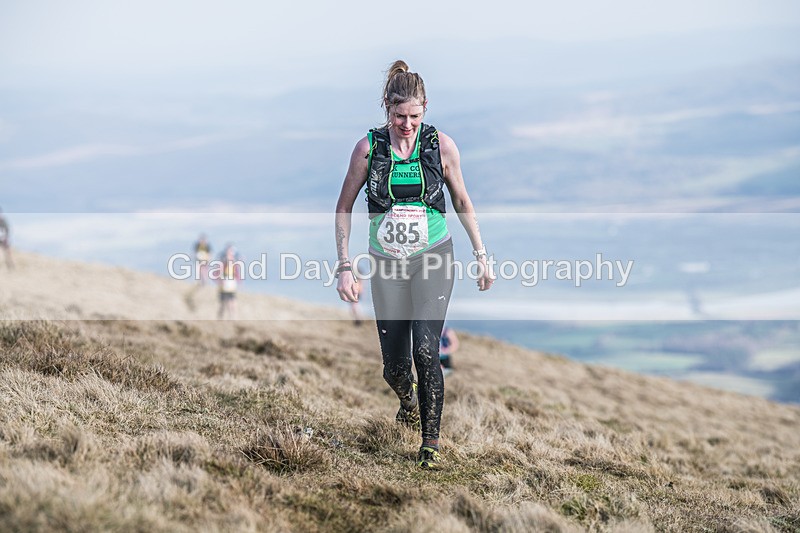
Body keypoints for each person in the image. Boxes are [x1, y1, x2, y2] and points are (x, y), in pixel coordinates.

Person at [335, 60, 494, 470]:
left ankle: (430, 443)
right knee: (395, 368)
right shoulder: (368, 148)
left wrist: (481, 256)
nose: (407, 124)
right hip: (387, 264)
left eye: (415, 116)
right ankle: (407, 401)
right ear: (386, 108)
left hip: (433, 257)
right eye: (399, 116)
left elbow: (461, 200)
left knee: (427, 351)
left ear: (426, 109)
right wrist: (345, 265)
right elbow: (344, 207)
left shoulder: (441, 146)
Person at [216, 244, 242, 320]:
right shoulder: (223, 263)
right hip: (224, 286)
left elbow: (237, 274)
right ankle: (220, 319)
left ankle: (233, 319)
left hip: (231, 285)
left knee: (232, 303)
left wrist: (239, 282)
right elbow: (217, 274)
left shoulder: (234, 264)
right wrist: (221, 281)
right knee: (223, 305)